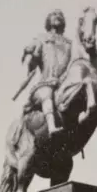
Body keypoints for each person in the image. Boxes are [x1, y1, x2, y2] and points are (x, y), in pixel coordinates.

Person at [21, 9, 72, 137]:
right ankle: (51, 127)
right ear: (48, 21)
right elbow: (31, 51)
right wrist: (29, 54)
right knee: (47, 93)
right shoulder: (42, 38)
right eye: (54, 15)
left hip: (64, 84)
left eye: (60, 15)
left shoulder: (70, 44)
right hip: (45, 84)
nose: (57, 16)